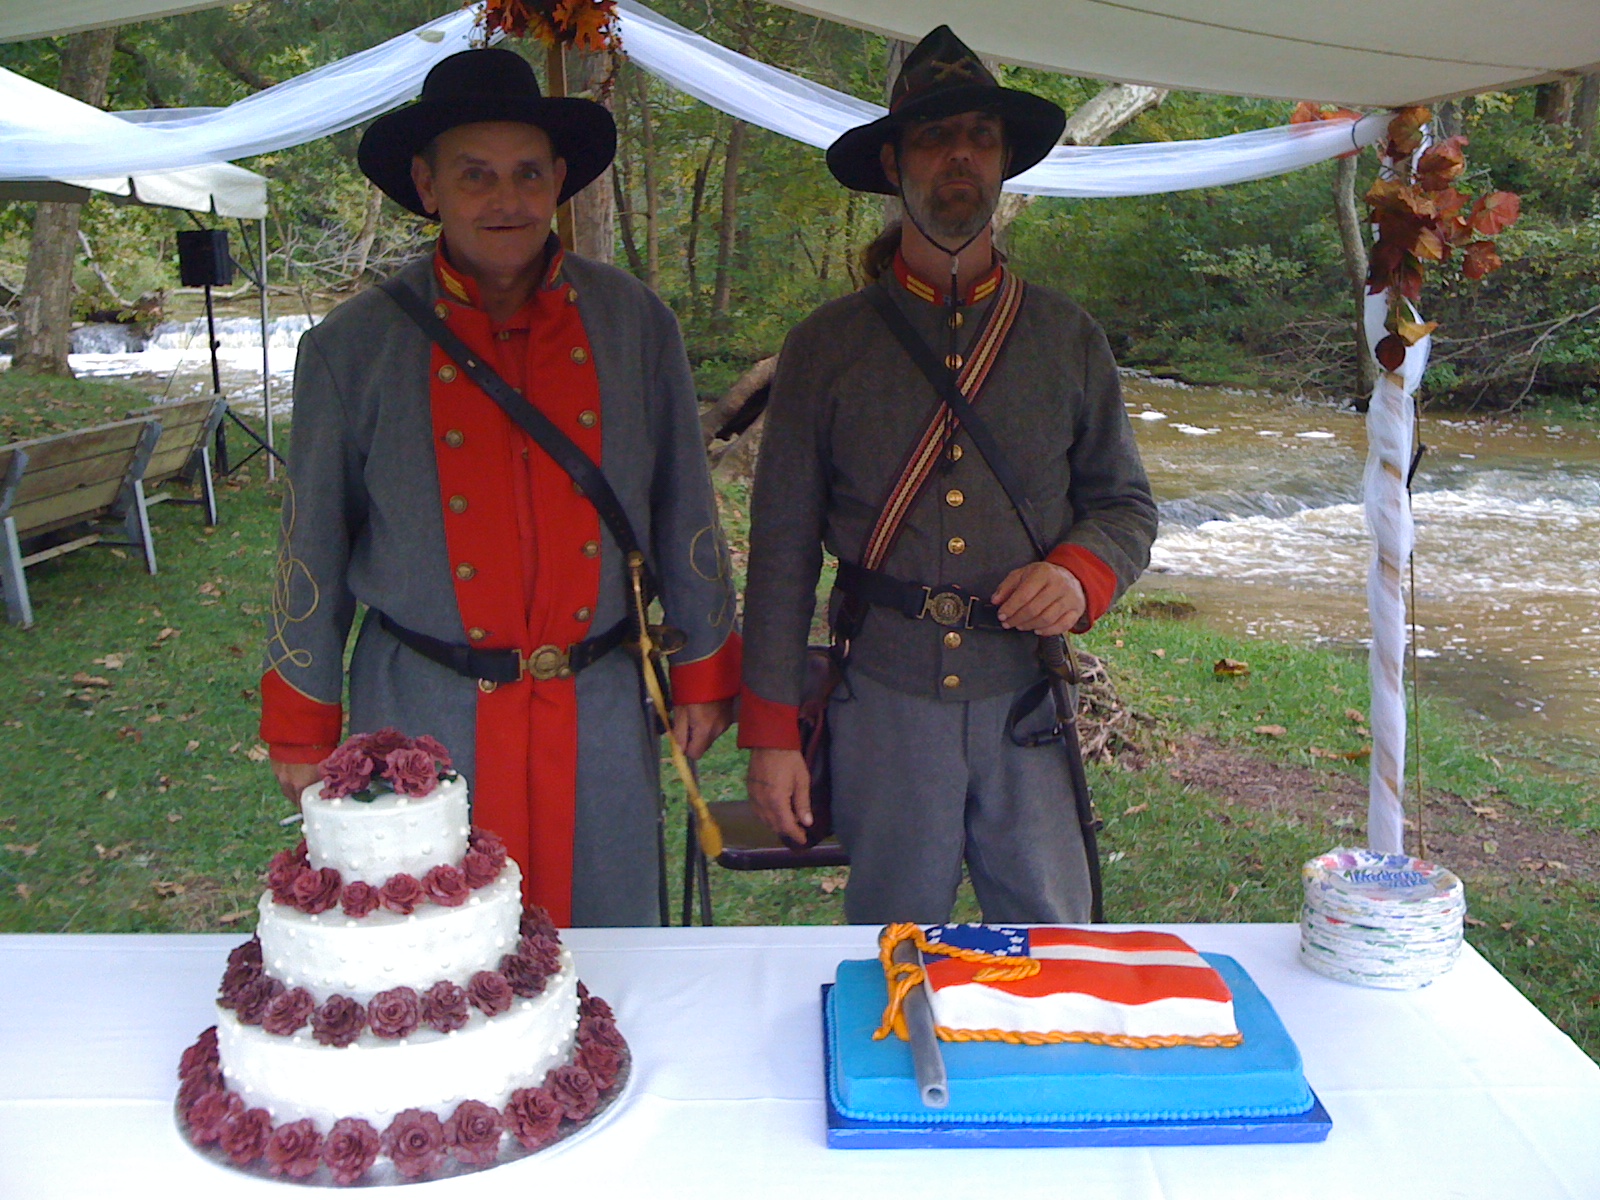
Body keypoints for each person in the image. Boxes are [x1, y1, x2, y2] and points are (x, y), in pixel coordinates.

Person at [260, 48, 740, 927]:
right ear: (426, 184)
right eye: (474, 175)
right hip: (420, 716)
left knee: (607, 953)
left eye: (527, 174)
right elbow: (313, 545)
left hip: (595, 712)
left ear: (559, 179)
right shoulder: (350, 346)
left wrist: (705, 671)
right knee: (435, 967)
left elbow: (686, 508)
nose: (505, 199)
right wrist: (300, 723)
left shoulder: (636, 325)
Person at [739, 27, 1157, 925]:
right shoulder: (826, 347)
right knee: (892, 957)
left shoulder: (1067, 337)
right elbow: (780, 554)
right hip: (884, 699)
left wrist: (1079, 574)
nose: (958, 156)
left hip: (1024, 700)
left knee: (1059, 950)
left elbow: (1122, 506)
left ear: (1004, 160)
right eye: (934, 138)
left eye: (979, 135)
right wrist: (772, 734)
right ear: (894, 164)